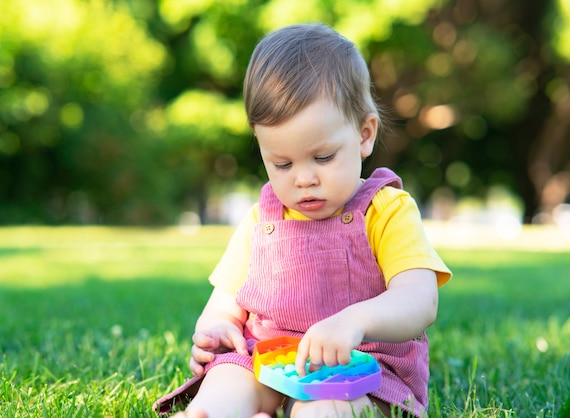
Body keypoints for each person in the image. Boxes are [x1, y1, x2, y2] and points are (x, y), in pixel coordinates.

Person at [154, 23, 451, 418]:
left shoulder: (386, 210)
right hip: (266, 360)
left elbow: (419, 299)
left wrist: (356, 321)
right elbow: (226, 302)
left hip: (361, 371)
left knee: (323, 410)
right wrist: (216, 330)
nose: (303, 178)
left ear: (364, 135)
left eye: (323, 157)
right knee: (225, 388)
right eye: (282, 163)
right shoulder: (262, 218)